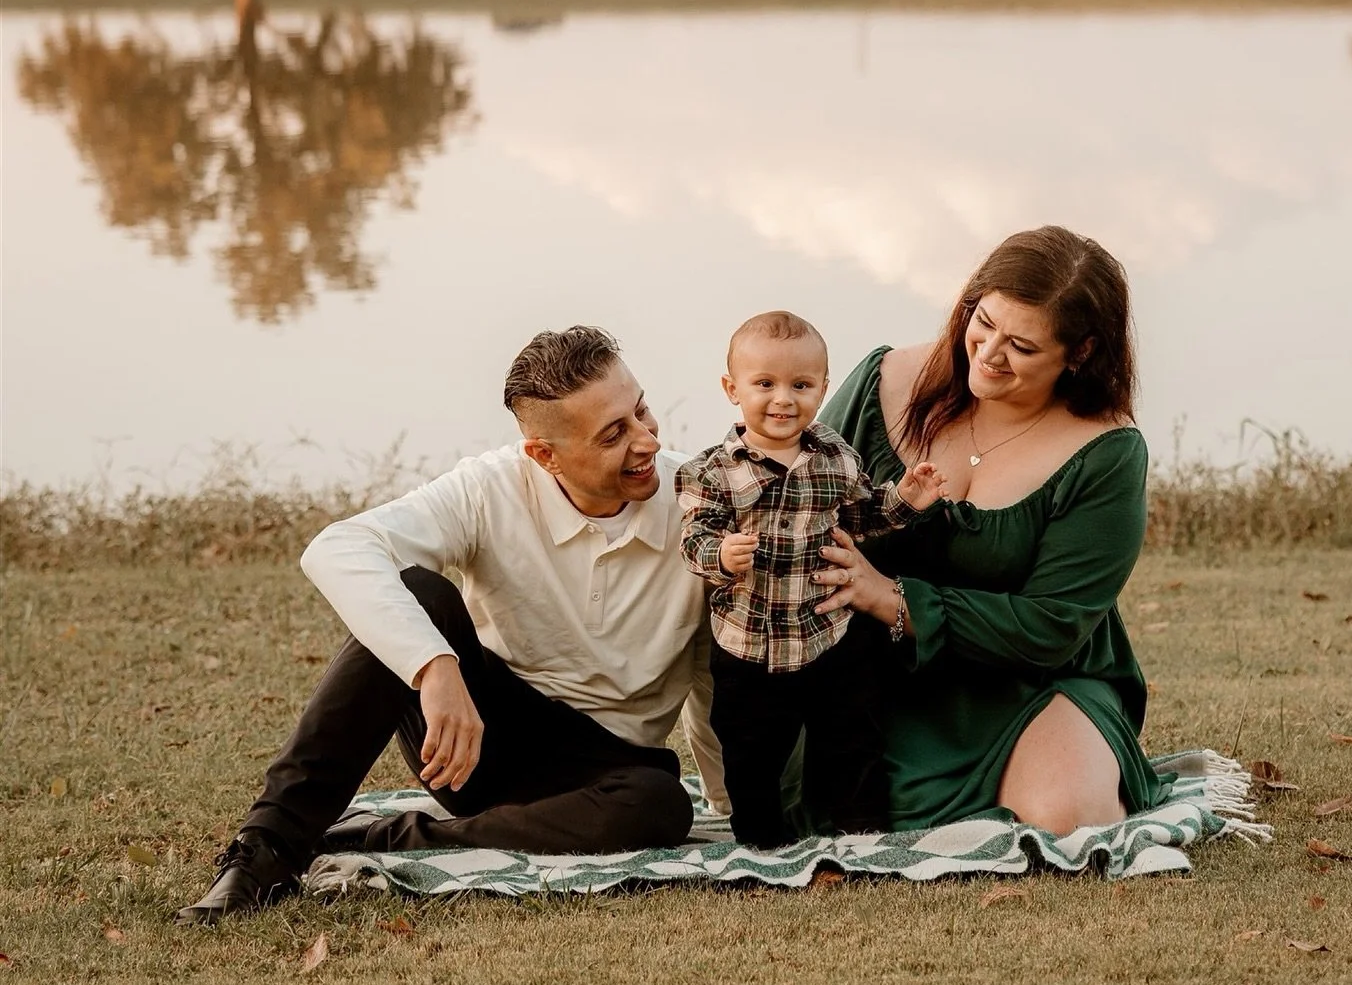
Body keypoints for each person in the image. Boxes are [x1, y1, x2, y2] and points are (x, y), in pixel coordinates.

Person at [175, 326, 725, 925]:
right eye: (613, 434)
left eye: (641, 409)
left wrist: (730, 803)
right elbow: (339, 547)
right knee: (418, 591)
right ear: (545, 455)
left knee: (660, 806)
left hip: (610, 775)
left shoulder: (701, 504)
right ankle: (266, 851)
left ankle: (393, 838)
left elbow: (713, 669)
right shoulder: (488, 489)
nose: (646, 439)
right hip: (475, 743)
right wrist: (435, 668)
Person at [809, 226, 1165, 837]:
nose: (989, 353)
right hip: (868, 671)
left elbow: (1052, 625)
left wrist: (893, 599)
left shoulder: (1106, 450)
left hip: (1029, 678)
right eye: (984, 321)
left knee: (1072, 818)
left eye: (1022, 347)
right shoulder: (886, 379)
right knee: (811, 806)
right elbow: (803, 505)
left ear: (1078, 353)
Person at [678, 311, 946, 845]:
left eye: (801, 385)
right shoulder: (712, 470)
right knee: (749, 750)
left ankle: (861, 833)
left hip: (828, 633)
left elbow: (863, 517)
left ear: (823, 388)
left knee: (851, 738)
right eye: (765, 384)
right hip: (748, 642)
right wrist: (720, 553)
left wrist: (907, 500)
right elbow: (693, 539)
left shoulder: (836, 459)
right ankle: (760, 844)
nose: (783, 399)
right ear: (733, 389)